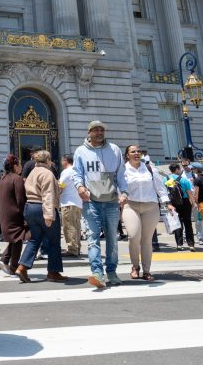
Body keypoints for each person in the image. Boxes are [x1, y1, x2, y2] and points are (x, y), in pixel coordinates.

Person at [73, 120, 127, 288]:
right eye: (95, 130)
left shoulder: (114, 150)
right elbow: (77, 173)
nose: (99, 133)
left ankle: (111, 271)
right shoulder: (81, 151)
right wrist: (80, 186)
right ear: (89, 132)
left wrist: (124, 192)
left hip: (111, 201)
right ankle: (97, 272)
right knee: (92, 238)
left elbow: (121, 174)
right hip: (91, 201)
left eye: (101, 130)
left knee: (112, 238)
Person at [14, 150, 67, 284]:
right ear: (48, 160)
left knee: (35, 239)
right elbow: (48, 194)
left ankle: (22, 267)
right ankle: (53, 272)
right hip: (43, 207)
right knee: (54, 241)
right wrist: (49, 215)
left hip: (30, 207)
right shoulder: (47, 173)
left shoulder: (32, 172)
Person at [122, 145, 173, 281]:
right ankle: (135, 266)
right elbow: (118, 186)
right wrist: (119, 196)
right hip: (130, 205)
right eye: (133, 152)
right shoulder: (123, 170)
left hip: (151, 206)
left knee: (146, 239)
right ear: (127, 155)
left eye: (139, 151)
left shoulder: (149, 168)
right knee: (133, 236)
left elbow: (159, 187)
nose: (137, 153)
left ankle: (146, 270)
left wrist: (167, 203)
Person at [0, 154, 28, 275]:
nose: (21, 167)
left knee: (15, 239)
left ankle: (5, 259)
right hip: (15, 213)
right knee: (18, 239)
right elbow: (21, 199)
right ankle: (13, 266)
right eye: (19, 164)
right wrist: (24, 214)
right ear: (15, 166)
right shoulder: (17, 178)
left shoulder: (3, 178)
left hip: (5, 213)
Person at [165, 163, 196, 250]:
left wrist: (168, 204)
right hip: (185, 202)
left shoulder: (166, 179)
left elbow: (165, 192)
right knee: (188, 223)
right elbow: (189, 193)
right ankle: (191, 245)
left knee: (177, 224)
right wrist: (193, 204)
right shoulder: (184, 180)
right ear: (178, 169)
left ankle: (179, 244)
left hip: (173, 204)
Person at [59, 154, 82, 258]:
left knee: (69, 226)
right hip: (77, 202)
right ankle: (77, 247)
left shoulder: (66, 172)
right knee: (76, 226)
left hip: (68, 203)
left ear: (65, 160)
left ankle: (72, 249)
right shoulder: (77, 171)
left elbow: (61, 186)